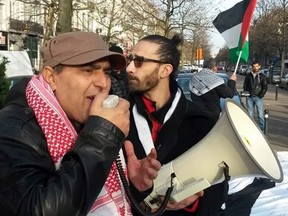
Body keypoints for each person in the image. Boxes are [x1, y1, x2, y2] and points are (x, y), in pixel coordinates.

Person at [0, 31, 161, 216]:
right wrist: (101, 140)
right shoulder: (13, 130)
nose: (103, 82)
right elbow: (37, 209)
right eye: (88, 70)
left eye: (106, 72)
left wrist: (132, 186)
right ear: (51, 77)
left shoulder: (87, 118)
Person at [125, 34, 228, 216]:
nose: (129, 68)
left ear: (165, 70)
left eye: (139, 61)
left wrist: (192, 203)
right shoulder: (118, 115)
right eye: (130, 59)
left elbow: (218, 190)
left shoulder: (200, 121)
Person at [243, 61, 268, 131]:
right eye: (254, 66)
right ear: (252, 67)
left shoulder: (262, 76)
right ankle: (251, 128)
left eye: (257, 66)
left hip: (258, 97)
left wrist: (260, 95)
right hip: (250, 97)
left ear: (259, 66)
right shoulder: (248, 75)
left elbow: (265, 87)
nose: (255, 68)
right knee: (250, 114)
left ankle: (262, 129)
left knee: (260, 114)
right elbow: (245, 85)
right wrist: (246, 93)